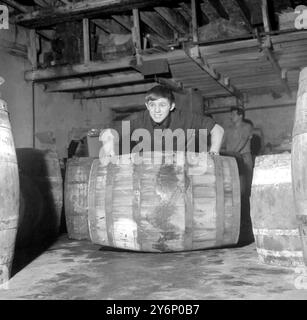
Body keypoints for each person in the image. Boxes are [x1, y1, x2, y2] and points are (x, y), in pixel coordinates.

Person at [99, 85, 224, 157]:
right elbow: (108, 132)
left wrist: (213, 152)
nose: (157, 110)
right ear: (147, 106)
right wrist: (109, 150)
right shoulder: (139, 119)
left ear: (172, 106)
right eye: (152, 105)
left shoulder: (185, 118)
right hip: (148, 172)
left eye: (162, 105)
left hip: (179, 171)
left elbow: (217, 130)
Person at [222, 107, 254, 196]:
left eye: (233, 114)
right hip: (231, 159)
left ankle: (248, 206)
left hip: (244, 158)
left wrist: (232, 154)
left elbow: (243, 141)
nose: (231, 116)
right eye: (230, 114)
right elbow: (221, 143)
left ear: (240, 116)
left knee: (247, 184)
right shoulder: (228, 129)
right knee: (232, 185)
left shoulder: (247, 127)